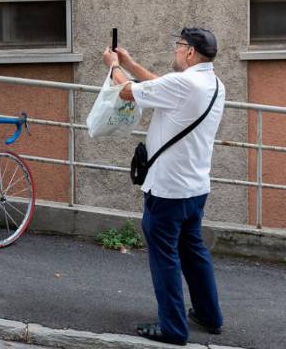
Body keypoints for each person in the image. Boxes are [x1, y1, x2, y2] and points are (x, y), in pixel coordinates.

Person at [102, 27, 225, 345]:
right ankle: (209, 315)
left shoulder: (185, 83)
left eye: (178, 45)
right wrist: (129, 62)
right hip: (196, 187)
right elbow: (160, 87)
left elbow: (129, 92)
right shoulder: (212, 84)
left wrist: (113, 66)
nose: (175, 49)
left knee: (165, 256)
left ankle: (173, 327)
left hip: (168, 189)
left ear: (189, 52)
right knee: (192, 250)